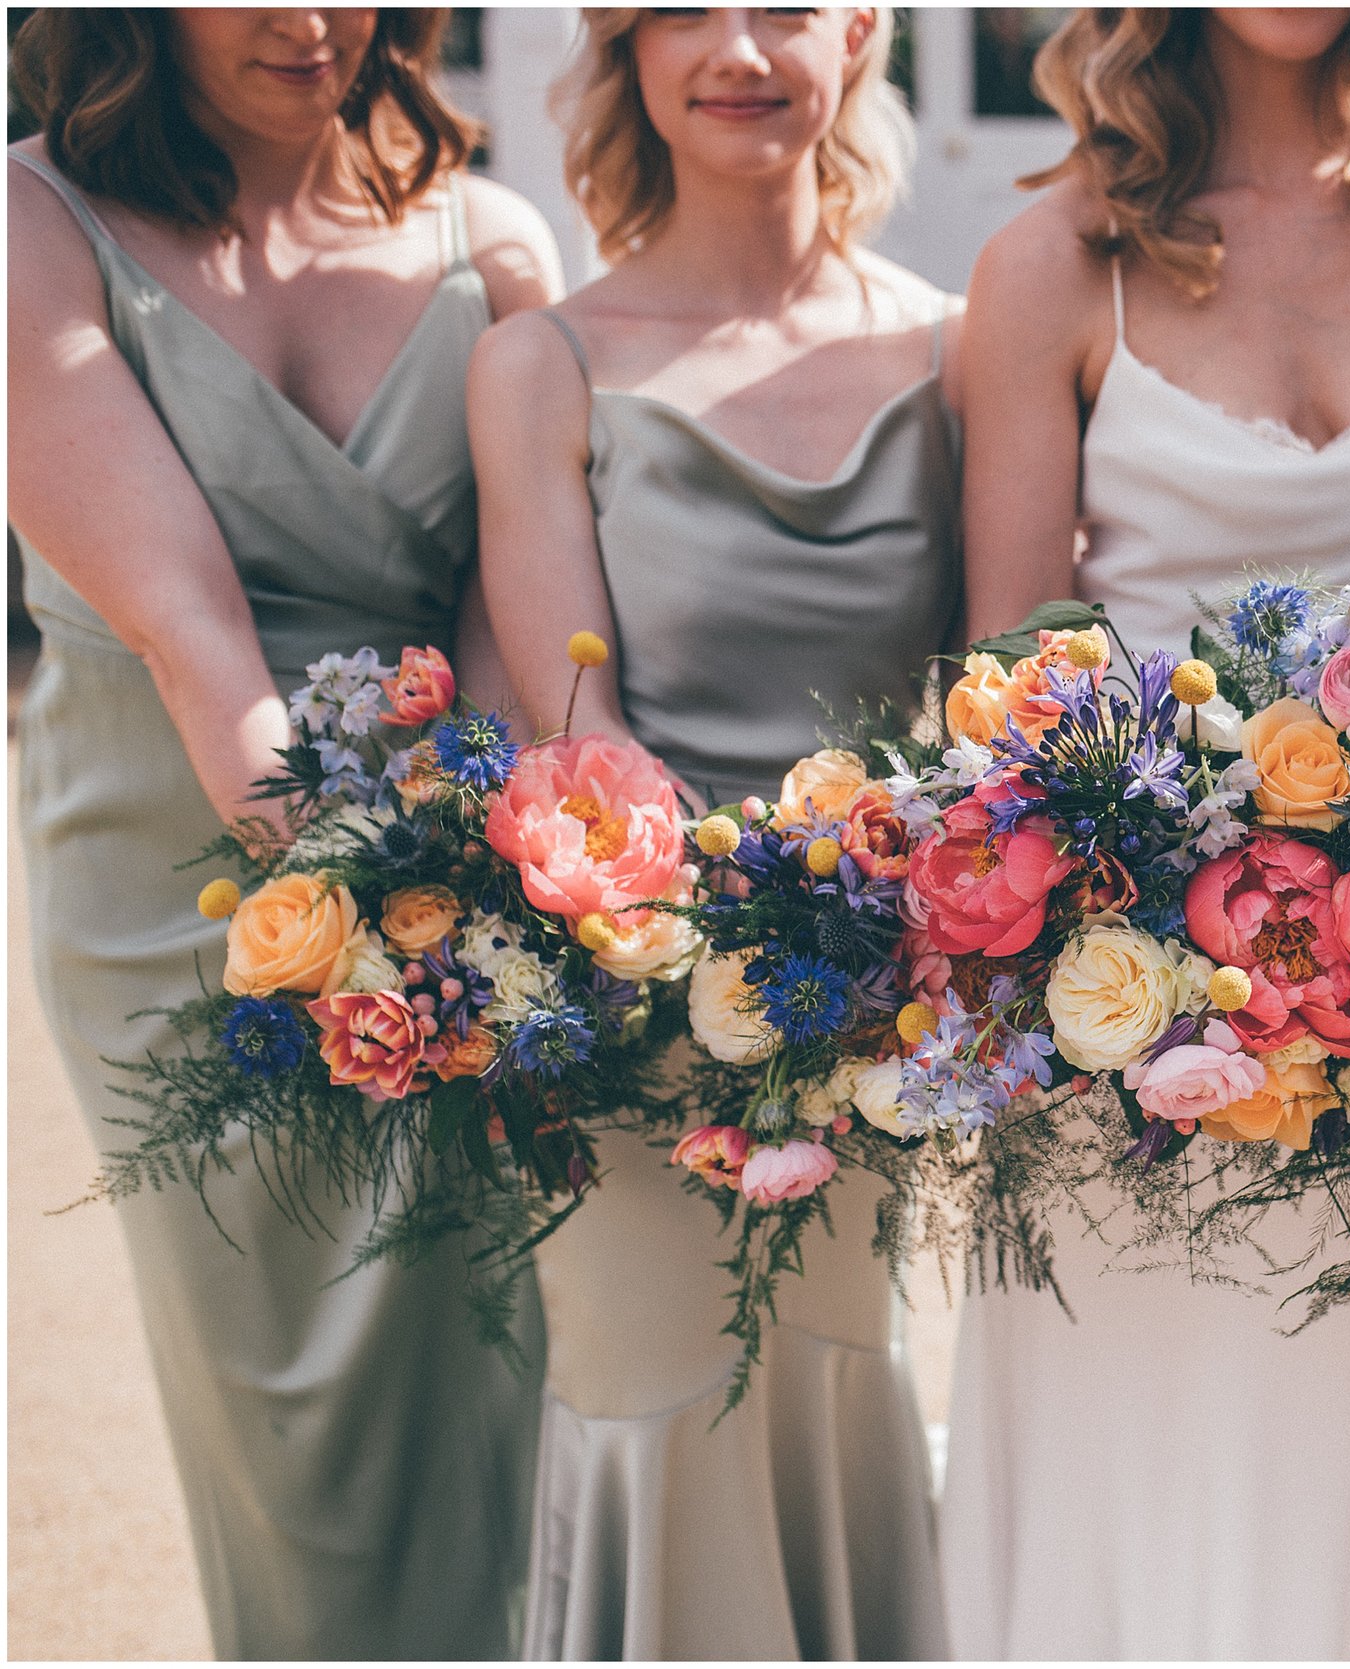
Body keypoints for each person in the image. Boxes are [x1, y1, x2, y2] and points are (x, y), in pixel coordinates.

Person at [938, 8, 1350, 1656]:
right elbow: (1001, 687)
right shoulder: (1057, 261)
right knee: (1108, 1517)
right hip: (1123, 1050)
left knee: (1335, 1517)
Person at [7, 9, 560, 1656]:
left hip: (461, 882)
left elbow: (507, 630)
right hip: (180, 896)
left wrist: (491, 919)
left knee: (516, 1367)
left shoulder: (496, 243)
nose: (313, 17)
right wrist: (378, 936)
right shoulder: (35, 228)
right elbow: (194, 640)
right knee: (292, 1424)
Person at [467, 9, 956, 1659]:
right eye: (685, 5)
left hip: (874, 1019)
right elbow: (572, 744)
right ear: (622, 42)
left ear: (865, 30)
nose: (741, 47)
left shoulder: (959, 351)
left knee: (836, 1397)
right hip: (629, 1025)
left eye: (789, 5)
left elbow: (994, 716)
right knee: (655, 1410)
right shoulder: (544, 361)